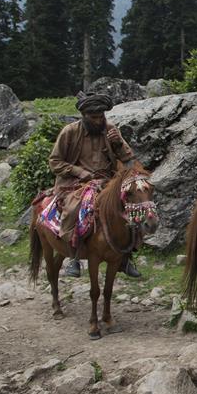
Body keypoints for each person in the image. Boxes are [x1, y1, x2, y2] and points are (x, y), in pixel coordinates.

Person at [49, 92, 142, 278]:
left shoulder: (110, 129)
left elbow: (129, 160)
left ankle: (127, 256)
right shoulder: (70, 132)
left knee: (134, 208)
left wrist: (118, 144)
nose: (99, 121)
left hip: (108, 182)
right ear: (84, 116)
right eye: (94, 118)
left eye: (102, 117)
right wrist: (80, 172)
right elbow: (54, 161)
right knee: (76, 208)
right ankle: (73, 255)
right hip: (76, 184)